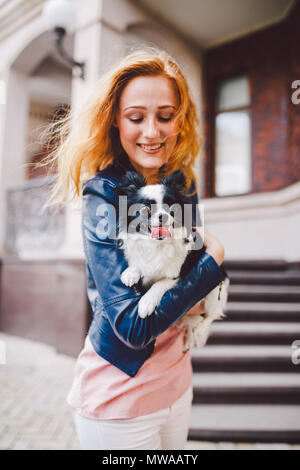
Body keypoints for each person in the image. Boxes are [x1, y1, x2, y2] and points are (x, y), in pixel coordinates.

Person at [41, 48, 226, 450]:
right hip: (119, 397)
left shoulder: (183, 187)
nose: (152, 132)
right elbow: (132, 328)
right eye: (136, 117)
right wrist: (213, 265)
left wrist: (188, 283)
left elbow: (188, 291)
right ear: (115, 121)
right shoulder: (104, 196)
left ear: (181, 118)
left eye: (165, 115)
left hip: (177, 384)